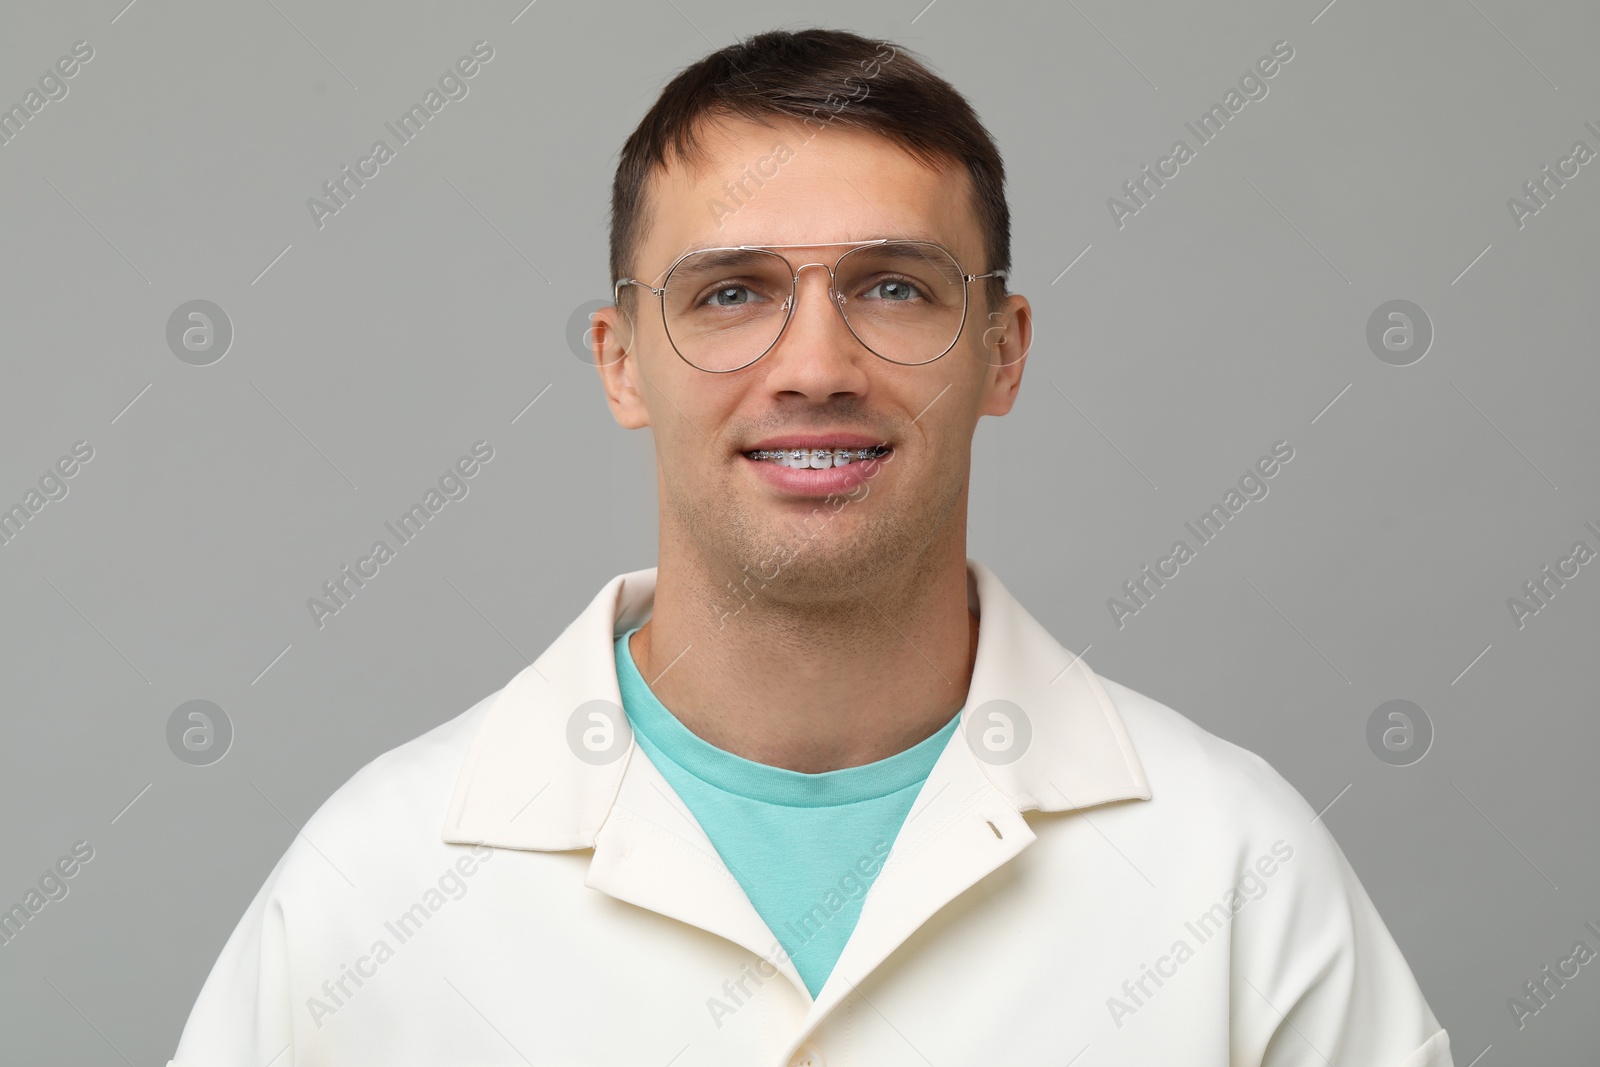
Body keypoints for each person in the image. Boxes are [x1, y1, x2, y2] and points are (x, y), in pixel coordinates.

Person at [168, 27, 1454, 1067]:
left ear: (1001, 351)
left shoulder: (1232, 871)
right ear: (622, 365)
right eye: (730, 293)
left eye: (892, 285)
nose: (816, 366)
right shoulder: (377, 884)